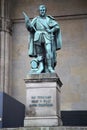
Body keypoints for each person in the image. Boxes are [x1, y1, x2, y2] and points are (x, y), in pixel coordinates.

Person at [23, 5, 62, 74]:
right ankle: (41, 67)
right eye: (41, 10)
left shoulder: (48, 19)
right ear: (39, 11)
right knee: (39, 53)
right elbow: (31, 28)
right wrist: (27, 24)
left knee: (49, 51)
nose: (42, 11)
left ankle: (49, 67)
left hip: (47, 36)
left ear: (45, 11)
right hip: (38, 36)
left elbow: (57, 27)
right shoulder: (36, 19)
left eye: (43, 10)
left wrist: (51, 30)